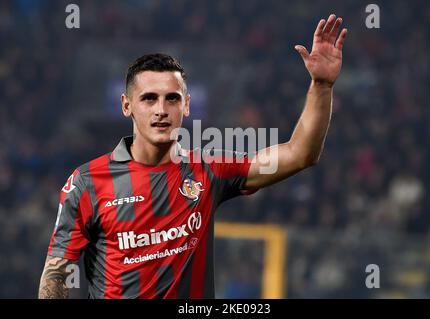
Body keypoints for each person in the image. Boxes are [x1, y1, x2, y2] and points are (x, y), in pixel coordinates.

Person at [38, 14, 347, 299]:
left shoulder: (209, 170)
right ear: (126, 106)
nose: (161, 110)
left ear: (186, 106)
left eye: (171, 99)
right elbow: (57, 273)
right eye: (149, 99)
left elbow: (300, 154)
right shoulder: (87, 182)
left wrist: (321, 85)